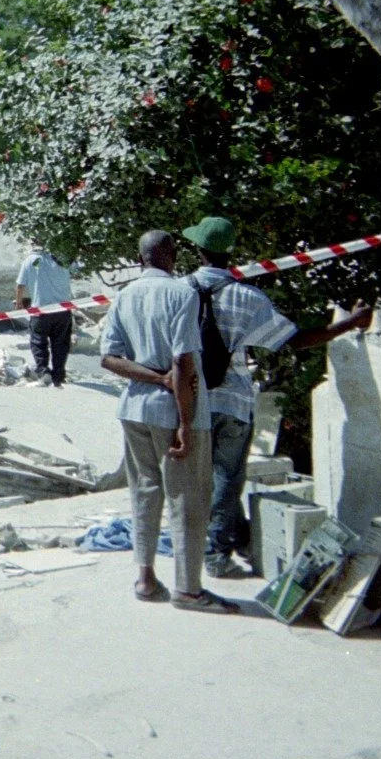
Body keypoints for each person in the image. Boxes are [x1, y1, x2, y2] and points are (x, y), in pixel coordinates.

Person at [180, 215, 371, 578]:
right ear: (229, 252)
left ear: (198, 250)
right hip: (233, 400)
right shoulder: (248, 298)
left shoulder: (179, 291)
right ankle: (217, 552)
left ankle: (233, 539)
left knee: (201, 477)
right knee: (227, 477)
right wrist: (351, 322)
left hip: (187, 399)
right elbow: (296, 340)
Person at [100, 230, 237, 614]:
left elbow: (109, 358)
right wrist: (185, 421)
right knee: (188, 498)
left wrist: (151, 378)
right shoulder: (182, 293)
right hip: (172, 411)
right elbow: (184, 362)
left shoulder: (125, 296)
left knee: (144, 492)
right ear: (172, 256)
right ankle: (188, 590)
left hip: (134, 409)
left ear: (140, 257)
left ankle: (145, 577)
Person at [15, 245, 75, 386]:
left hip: (40, 310)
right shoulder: (61, 259)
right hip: (63, 310)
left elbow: (20, 284)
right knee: (61, 343)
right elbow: (76, 271)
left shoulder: (29, 261)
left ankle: (43, 371)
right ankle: (59, 374)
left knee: (38, 342)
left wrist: (19, 303)